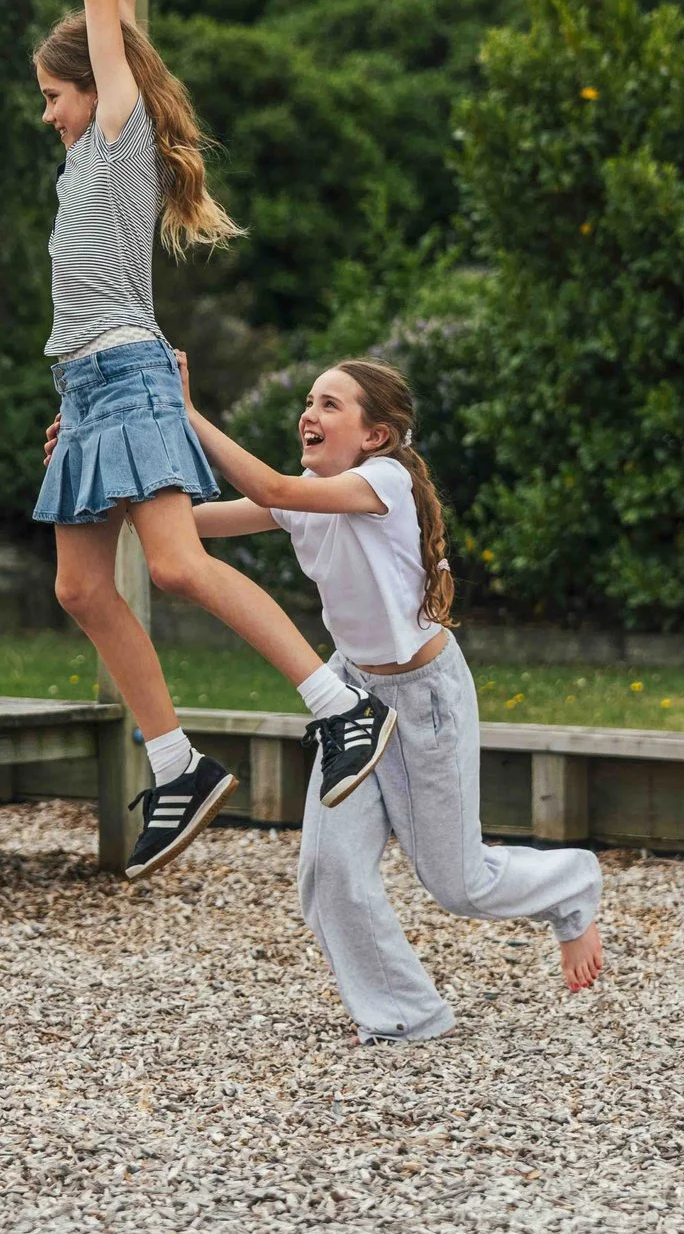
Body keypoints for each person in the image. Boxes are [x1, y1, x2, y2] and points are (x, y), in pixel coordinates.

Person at [32, 0, 398, 883]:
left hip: (125, 367)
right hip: (89, 386)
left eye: (53, 94)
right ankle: (177, 760)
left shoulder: (116, 136)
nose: (46, 112)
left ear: (94, 90)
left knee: (178, 562)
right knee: (80, 589)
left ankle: (338, 705)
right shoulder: (86, 158)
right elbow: (123, 2)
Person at [181, 355, 607, 1041]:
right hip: (349, 694)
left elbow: (266, 481)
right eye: (309, 400)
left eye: (329, 404)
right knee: (329, 870)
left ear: (375, 435)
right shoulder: (299, 501)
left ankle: (571, 889)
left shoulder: (381, 483)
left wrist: (188, 411)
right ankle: (409, 1017)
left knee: (459, 883)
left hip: (422, 699)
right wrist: (105, 470)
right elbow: (190, 525)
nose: (308, 414)